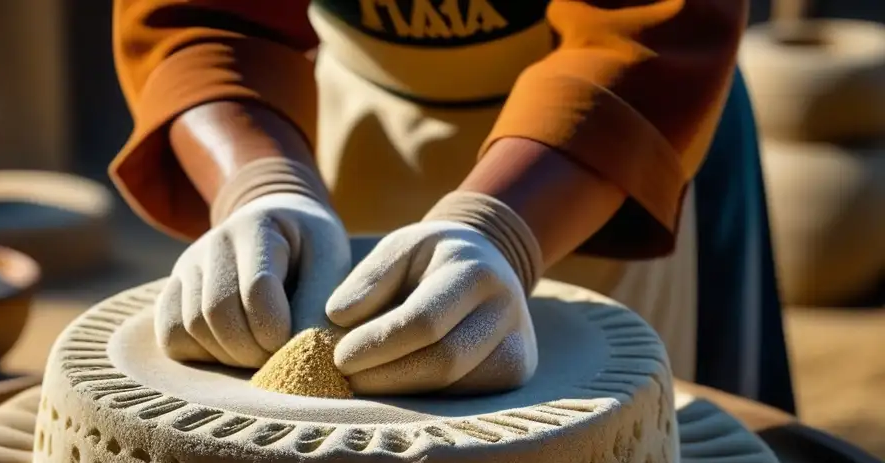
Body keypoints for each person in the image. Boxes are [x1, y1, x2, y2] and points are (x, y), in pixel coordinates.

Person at [110, 0, 795, 410]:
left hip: (620, 132)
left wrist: (500, 228)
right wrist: (258, 182)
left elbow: (651, 23)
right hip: (338, 118)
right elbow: (197, 15)